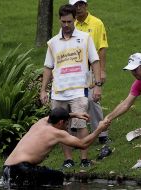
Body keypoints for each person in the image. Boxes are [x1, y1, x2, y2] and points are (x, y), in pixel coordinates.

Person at [40, 4, 102, 168]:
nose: (66, 25)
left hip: (79, 90)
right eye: (63, 22)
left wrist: (97, 85)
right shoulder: (52, 43)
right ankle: (68, 160)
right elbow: (48, 67)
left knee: (80, 124)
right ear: (59, 20)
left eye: (69, 21)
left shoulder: (85, 38)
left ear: (75, 19)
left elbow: (95, 61)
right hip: (58, 92)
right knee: (61, 128)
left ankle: (84, 159)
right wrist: (43, 90)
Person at [2, 107, 109, 187]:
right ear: (61, 122)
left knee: (49, 175)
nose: (67, 126)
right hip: (21, 169)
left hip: (7, 168)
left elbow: (55, 116)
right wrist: (99, 129)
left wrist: (75, 114)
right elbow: (83, 144)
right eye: (66, 123)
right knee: (57, 177)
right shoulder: (56, 133)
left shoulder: (41, 122)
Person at [69, 0, 110, 144]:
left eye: (81, 4)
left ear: (86, 6)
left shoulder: (96, 23)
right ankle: (76, 133)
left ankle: (102, 132)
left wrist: (102, 71)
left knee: (93, 99)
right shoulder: (70, 24)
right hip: (75, 69)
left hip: (92, 67)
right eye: (75, 5)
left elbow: (102, 48)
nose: (78, 8)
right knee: (75, 99)